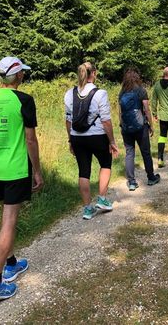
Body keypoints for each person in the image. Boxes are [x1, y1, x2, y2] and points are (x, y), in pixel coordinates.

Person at [0, 56, 43, 303]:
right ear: (17, 76)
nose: (23, 77)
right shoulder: (24, 100)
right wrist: (37, 170)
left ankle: (11, 263)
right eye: (22, 73)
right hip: (16, 169)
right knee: (9, 221)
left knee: (4, 216)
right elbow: (30, 139)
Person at [65, 62, 119, 220]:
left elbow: (68, 120)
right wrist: (112, 142)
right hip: (97, 136)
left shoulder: (69, 93)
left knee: (83, 170)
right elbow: (106, 121)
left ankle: (88, 208)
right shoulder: (100, 93)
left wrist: (70, 140)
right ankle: (101, 199)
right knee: (105, 164)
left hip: (77, 137)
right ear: (94, 73)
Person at [119, 68, 161, 190]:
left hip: (126, 127)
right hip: (140, 126)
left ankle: (131, 182)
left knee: (129, 153)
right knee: (146, 152)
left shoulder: (122, 92)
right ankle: (151, 177)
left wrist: (122, 124)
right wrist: (151, 125)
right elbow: (146, 109)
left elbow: (120, 112)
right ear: (137, 78)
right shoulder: (141, 90)